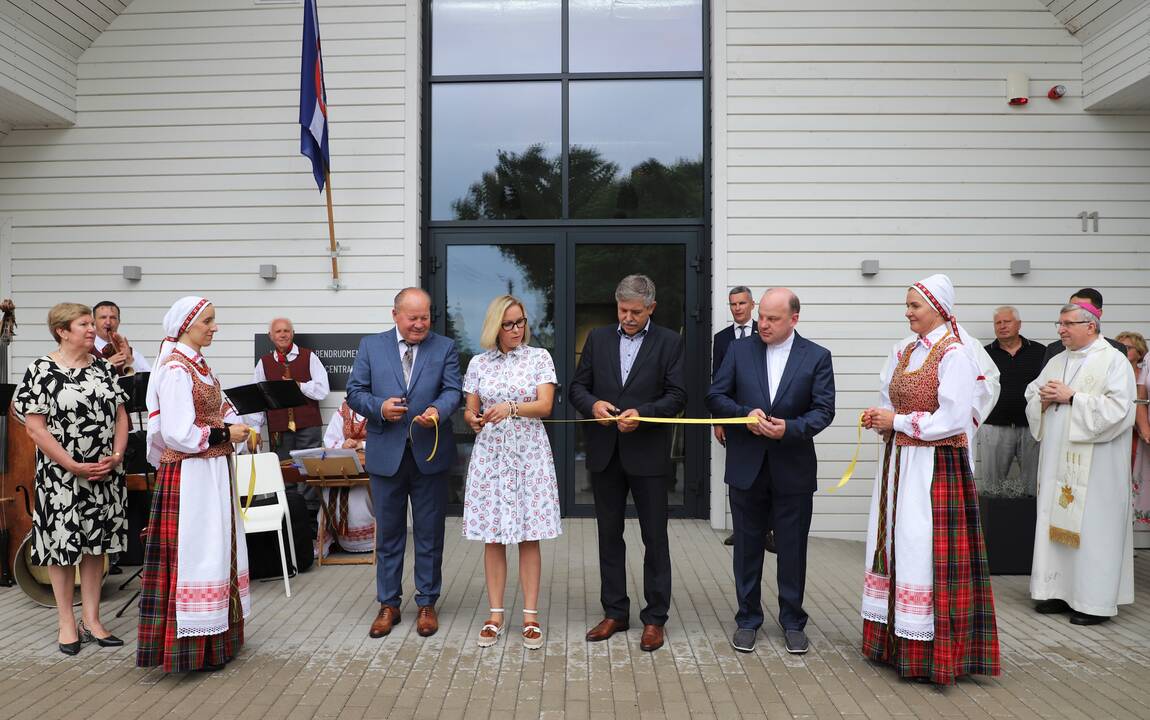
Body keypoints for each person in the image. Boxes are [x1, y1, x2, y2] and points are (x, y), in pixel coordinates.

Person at [860, 274, 1000, 685]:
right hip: (901, 462)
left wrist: (897, 421)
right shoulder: (903, 351)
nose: (907, 312)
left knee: (922, 546)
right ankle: (894, 642)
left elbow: (953, 419)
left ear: (938, 308)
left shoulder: (955, 354)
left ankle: (933, 653)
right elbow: (891, 398)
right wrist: (881, 419)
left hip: (935, 467)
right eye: (907, 305)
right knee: (896, 541)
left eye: (914, 306)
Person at [706, 288, 834, 654]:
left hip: (792, 467)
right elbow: (715, 396)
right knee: (746, 547)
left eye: (772, 319)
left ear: (794, 318)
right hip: (747, 467)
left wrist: (789, 429)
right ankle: (747, 618)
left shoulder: (817, 357)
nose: (762, 323)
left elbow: (823, 410)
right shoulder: (738, 350)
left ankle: (793, 620)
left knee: (792, 549)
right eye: (761, 316)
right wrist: (742, 414)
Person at [569, 274, 686, 653]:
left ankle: (655, 619)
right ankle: (615, 612)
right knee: (608, 536)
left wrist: (645, 414)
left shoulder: (670, 341)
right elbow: (577, 388)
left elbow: (678, 394)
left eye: (636, 311)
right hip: (605, 454)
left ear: (651, 308)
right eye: (623, 310)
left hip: (648, 454)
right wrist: (593, 405)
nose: (629, 318)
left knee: (655, 538)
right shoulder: (598, 339)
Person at [137, 297, 254, 672]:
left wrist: (241, 426)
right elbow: (177, 434)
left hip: (211, 471)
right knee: (197, 554)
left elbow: (216, 408)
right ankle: (188, 647)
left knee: (216, 549)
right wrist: (225, 432)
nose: (214, 327)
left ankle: (216, 642)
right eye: (209, 320)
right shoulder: (175, 369)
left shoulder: (200, 366)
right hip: (190, 476)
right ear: (187, 325)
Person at [13, 302, 129, 655]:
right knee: (62, 549)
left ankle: (92, 620)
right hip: (61, 477)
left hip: (104, 474)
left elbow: (121, 417)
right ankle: (66, 621)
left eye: (93, 324)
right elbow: (36, 429)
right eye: (84, 324)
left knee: (95, 548)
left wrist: (117, 455)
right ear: (63, 331)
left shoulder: (103, 370)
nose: (93, 329)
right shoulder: (41, 370)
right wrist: (73, 465)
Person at [346, 287, 461, 640]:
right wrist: (379, 407)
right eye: (412, 318)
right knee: (390, 535)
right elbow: (355, 391)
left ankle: (426, 603)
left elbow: (453, 390)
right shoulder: (371, 346)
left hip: (429, 455)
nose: (419, 324)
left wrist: (438, 411)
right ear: (395, 315)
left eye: (425, 317)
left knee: (429, 534)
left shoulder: (445, 348)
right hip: (387, 456)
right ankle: (389, 605)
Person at [1026, 302, 1136, 625]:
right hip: (1057, 461)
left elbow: (1120, 410)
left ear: (1091, 326)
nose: (1060, 330)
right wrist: (1042, 399)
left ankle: (1092, 602)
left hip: (1098, 467)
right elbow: (1032, 394)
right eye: (1058, 323)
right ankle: (1056, 592)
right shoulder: (1057, 361)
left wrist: (1073, 397)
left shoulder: (1114, 361)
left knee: (1093, 528)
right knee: (1054, 521)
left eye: (1067, 323)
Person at [462, 295, 561, 650]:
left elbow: (546, 405)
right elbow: (470, 410)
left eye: (520, 322)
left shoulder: (539, 358)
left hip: (529, 453)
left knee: (528, 534)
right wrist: (473, 419)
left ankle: (531, 616)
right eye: (509, 324)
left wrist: (512, 408)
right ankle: (495, 614)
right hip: (491, 456)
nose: (517, 329)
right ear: (495, 327)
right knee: (493, 536)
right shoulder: (478, 363)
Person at [249, 317, 330, 538]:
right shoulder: (264, 363)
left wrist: (299, 386)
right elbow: (258, 398)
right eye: (278, 331)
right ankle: (290, 529)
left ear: (292, 334)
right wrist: (255, 430)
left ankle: (312, 531)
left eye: (286, 331)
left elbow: (323, 390)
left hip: (307, 425)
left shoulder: (308, 356)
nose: (283, 334)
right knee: (285, 475)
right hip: (279, 429)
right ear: (271, 336)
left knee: (308, 474)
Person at [713, 286, 773, 552]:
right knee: (739, 474)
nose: (737, 308)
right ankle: (741, 530)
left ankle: (769, 531)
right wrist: (719, 419)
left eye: (741, 303)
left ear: (752, 305)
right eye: (733, 304)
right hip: (734, 416)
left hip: (765, 416)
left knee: (770, 474)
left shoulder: (766, 333)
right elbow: (718, 381)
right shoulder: (722, 338)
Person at [978, 306, 1046, 498]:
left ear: (1019, 324)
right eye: (998, 323)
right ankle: (994, 526)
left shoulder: (1040, 352)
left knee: (1033, 486)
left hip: (1032, 426)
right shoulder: (984, 355)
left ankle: (1029, 526)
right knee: (992, 487)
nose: (1002, 326)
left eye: (1007, 322)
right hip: (994, 425)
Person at [317, 400, 374, 556]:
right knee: (329, 491)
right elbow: (330, 440)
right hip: (346, 468)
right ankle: (338, 538)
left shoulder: (380, 406)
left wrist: (361, 445)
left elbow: (389, 440)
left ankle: (367, 540)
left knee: (359, 494)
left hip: (372, 469)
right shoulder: (344, 409)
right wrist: (343, 445)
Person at [1040, 288, 1127, 366]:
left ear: (1098, 313)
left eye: (1081, 308)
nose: (1073, 311)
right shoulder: (1054, 349)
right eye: (1071, 307)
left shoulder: (1115, 351)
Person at [1116, 332, 1150, 525]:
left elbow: (1141, 400)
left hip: (1139, 436)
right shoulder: (1113, 372)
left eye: (1127, 348)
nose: (1122, 351)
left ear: (1139, 352)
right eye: (1119, 347)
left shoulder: (1142, 374)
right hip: (1120, 433)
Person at [92, 300, 150, 375]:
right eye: (103, 317)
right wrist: (106, 365)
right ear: (94, 322)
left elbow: (148, 379)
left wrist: (131, 362)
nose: (108, 322)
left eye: (113, 317)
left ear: (119, 321)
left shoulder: (132, 353)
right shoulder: (85, 350)